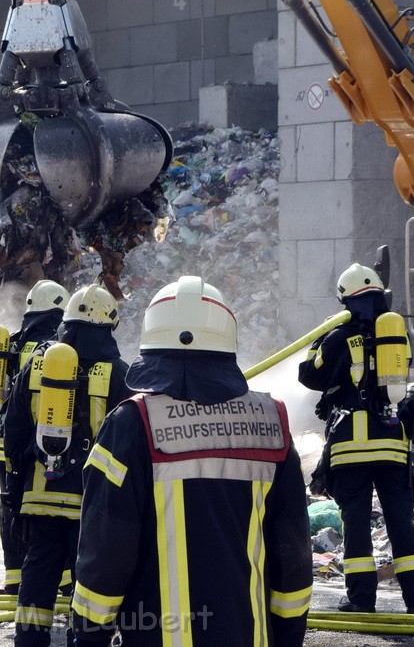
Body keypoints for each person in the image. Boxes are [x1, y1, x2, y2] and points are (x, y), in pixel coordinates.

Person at [72, 276, 312, 646]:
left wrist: (87, 637)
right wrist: (288, 635)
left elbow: (106, 555)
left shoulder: (130, 425)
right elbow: (292, 553)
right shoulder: (270, 421)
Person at [298, 262, 414, 616]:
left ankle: (361, 600)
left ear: (345, 300)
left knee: (357, 526)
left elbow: (309, 376)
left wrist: (318, 341)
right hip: (393, 444)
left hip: (351, 448)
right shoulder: (396, 334)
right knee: (401, 523)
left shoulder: (337, 338)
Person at [3, 283, 131, 647]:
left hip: (40, 495)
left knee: (39, 571)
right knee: (88, 577)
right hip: (93, 502)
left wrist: (18, 479)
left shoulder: (37, 365)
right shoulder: (119, 373)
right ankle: (82, 640)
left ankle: (29, 640)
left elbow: (14, 428)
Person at [0, 279, 70, 595]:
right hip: (48, 438)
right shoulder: (60, 350)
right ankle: (64, 579)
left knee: (10, 504)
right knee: (52, 507)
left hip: (2, 443)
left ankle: (14, 577)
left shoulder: (11, 344)